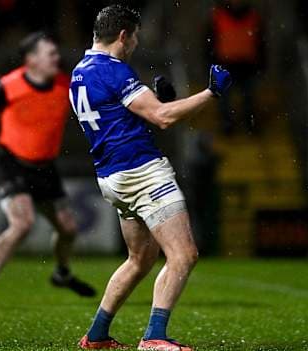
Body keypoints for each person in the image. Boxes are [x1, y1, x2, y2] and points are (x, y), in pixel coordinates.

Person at [69, 5, 232, 350]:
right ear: (124, 35)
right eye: (136, 36)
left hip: (112, 178)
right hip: (142, 173)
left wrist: (161, 102)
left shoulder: (79, 72)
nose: (137, 43)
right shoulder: (114, 70)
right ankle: (154, 337)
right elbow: (162, 118)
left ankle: (96, 336)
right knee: (183, 254)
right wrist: (210, 93)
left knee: (140, 259)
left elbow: (119, 120)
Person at [0, 32, 96, 304]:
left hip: (45, 166)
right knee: (22, 223)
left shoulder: (66, 84)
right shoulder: (9, 85)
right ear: (31, 59)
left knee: (68, 229)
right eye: (50, 54)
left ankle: (61, 273)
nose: (56, 58)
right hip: (11, 162)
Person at [207, 0, 265, 135]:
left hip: (247, 65)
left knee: (249, 99)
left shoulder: (253, 16)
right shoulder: (218, 16)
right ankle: (227, 127)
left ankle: (249, 126)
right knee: (225, 100)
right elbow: (210, 42)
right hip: (226, 64)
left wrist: (261, 64)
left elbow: (261, 42)